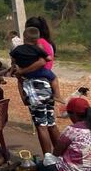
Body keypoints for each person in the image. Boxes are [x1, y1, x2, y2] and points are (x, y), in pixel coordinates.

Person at [11, 27, 63, 155]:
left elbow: (16, 69)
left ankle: (48, 158)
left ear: (24, 37)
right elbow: (47, 59)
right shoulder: (38, 49)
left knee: (41, 126)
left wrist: (21, 71)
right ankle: (60, 156)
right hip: (46, 86)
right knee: (51, 122)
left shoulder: (17, 51)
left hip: (34, 89)